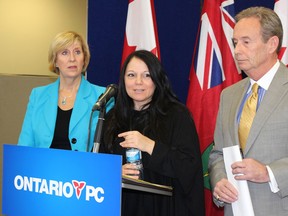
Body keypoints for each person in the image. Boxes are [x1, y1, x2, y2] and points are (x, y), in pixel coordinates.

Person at [99, 50, 205, 216]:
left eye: (146, 75)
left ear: (157, 79)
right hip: (123, 206)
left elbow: (189, 167)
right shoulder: (112, 117)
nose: (138, 82)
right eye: (131, 75)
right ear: (123, 80)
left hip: (165, 207)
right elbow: (100, 165)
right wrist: (114, 172)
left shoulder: (177, 115)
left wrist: (149, 146)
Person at [209, 6, 288, 216]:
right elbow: (218, 154)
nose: (236, 50)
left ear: (272, 44)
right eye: (235, 43)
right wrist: (219, 182)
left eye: (246, 42)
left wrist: (269, 172)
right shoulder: (229, 95)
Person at [18, 31, 113, 151]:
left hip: (85, 169)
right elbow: (25, 145)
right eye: (65, 53)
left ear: (84, 59)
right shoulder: (38, 95)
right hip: (43, 168)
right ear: (55, 61)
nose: (72, 58)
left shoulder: (103, 96)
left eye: (77, 52)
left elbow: (109, 149)